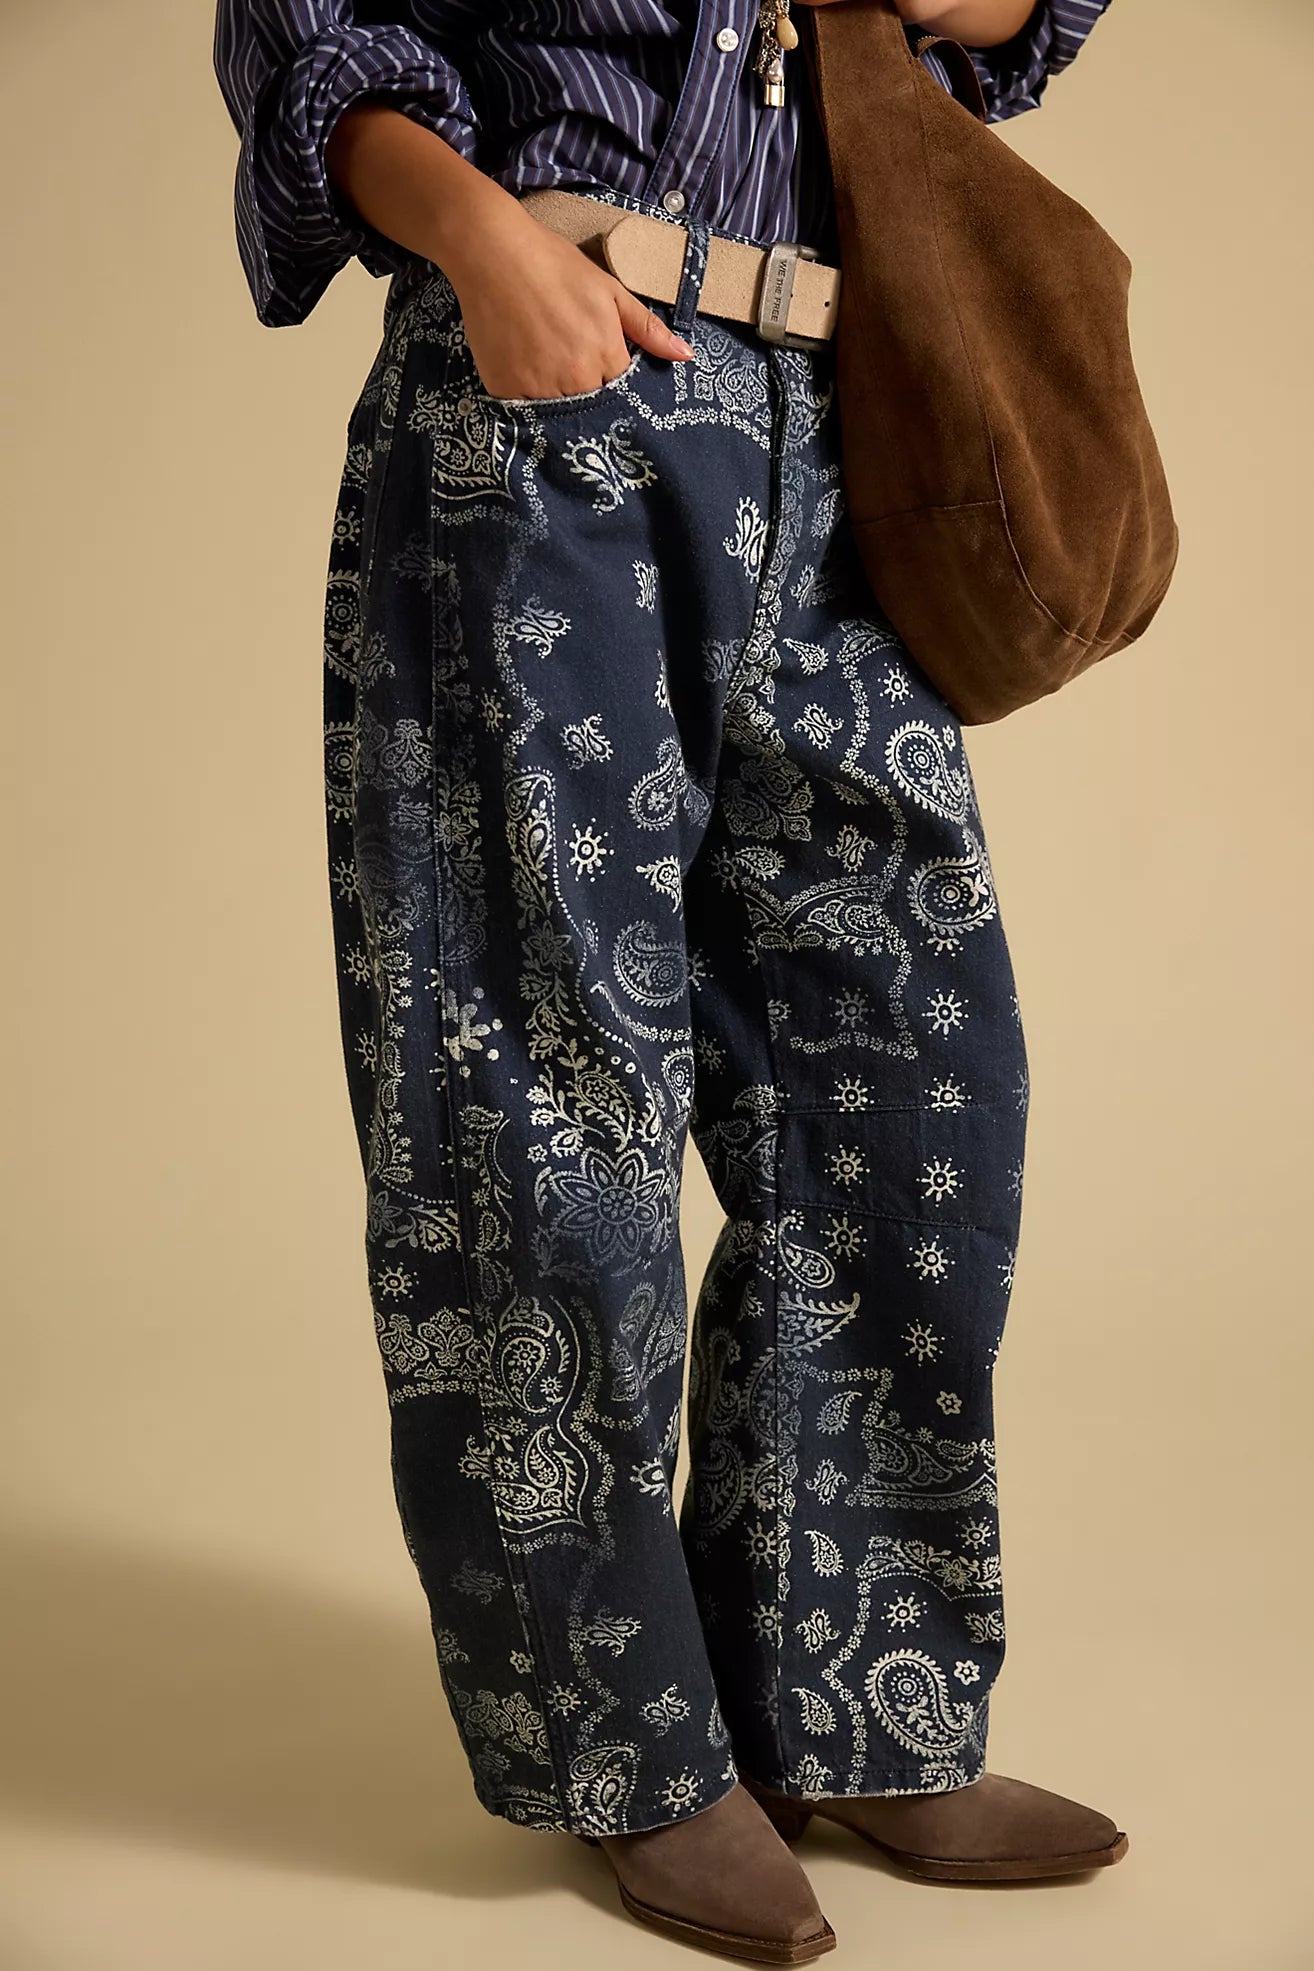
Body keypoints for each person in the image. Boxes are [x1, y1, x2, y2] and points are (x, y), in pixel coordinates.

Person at [214, 3, 1127, 1960]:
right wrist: (484, 246)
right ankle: (625, 1748)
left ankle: (855, 1697)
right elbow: (307, 33)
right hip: (553, 384)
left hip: (848, 411)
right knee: (544, 1095)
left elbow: (1012, 26)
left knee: (907, 1079)